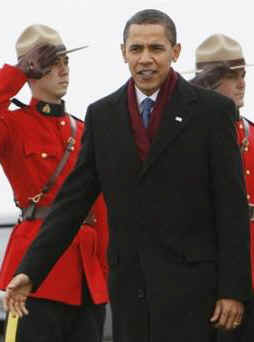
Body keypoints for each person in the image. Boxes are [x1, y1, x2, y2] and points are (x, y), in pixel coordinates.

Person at [3, 10, 252, 342]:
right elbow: (72, 204)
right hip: (129, 291)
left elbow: (231, 206)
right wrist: (30, 271)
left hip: (192, 291)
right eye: (136, 49)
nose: (145, 59)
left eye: (156, 48)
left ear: (175, 52)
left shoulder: (210, 111)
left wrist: (233, 289)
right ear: (123, 52)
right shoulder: (103, 115)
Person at [0, 24, 108, 342]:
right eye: (52, 62)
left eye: (66, 61)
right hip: (35, 279)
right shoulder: (13, 125)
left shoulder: (84, 130)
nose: (64, 70)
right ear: (33, 68)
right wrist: (15, 74)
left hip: (87, 279)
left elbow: (101, 208)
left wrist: (103, 272)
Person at [190, 33, 254, 342]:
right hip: (207, 276)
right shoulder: (186, 138)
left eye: (243, 74)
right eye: (231, 76)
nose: (242, 83)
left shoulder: (251, 134)